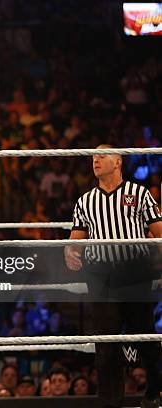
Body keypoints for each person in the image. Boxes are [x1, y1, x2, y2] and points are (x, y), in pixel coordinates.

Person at [65, 144, 162, 408]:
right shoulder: (85, 201)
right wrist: (70, 251)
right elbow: (76, 239)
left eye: (102, 156)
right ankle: (110, 401)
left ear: (117, 162)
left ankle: (155, 391)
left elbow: (159, 230)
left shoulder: (139, 193)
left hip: (135, 270)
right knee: (106, 340)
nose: (95, 160)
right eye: (93, 157)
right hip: (101, 275)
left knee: (143, 334)